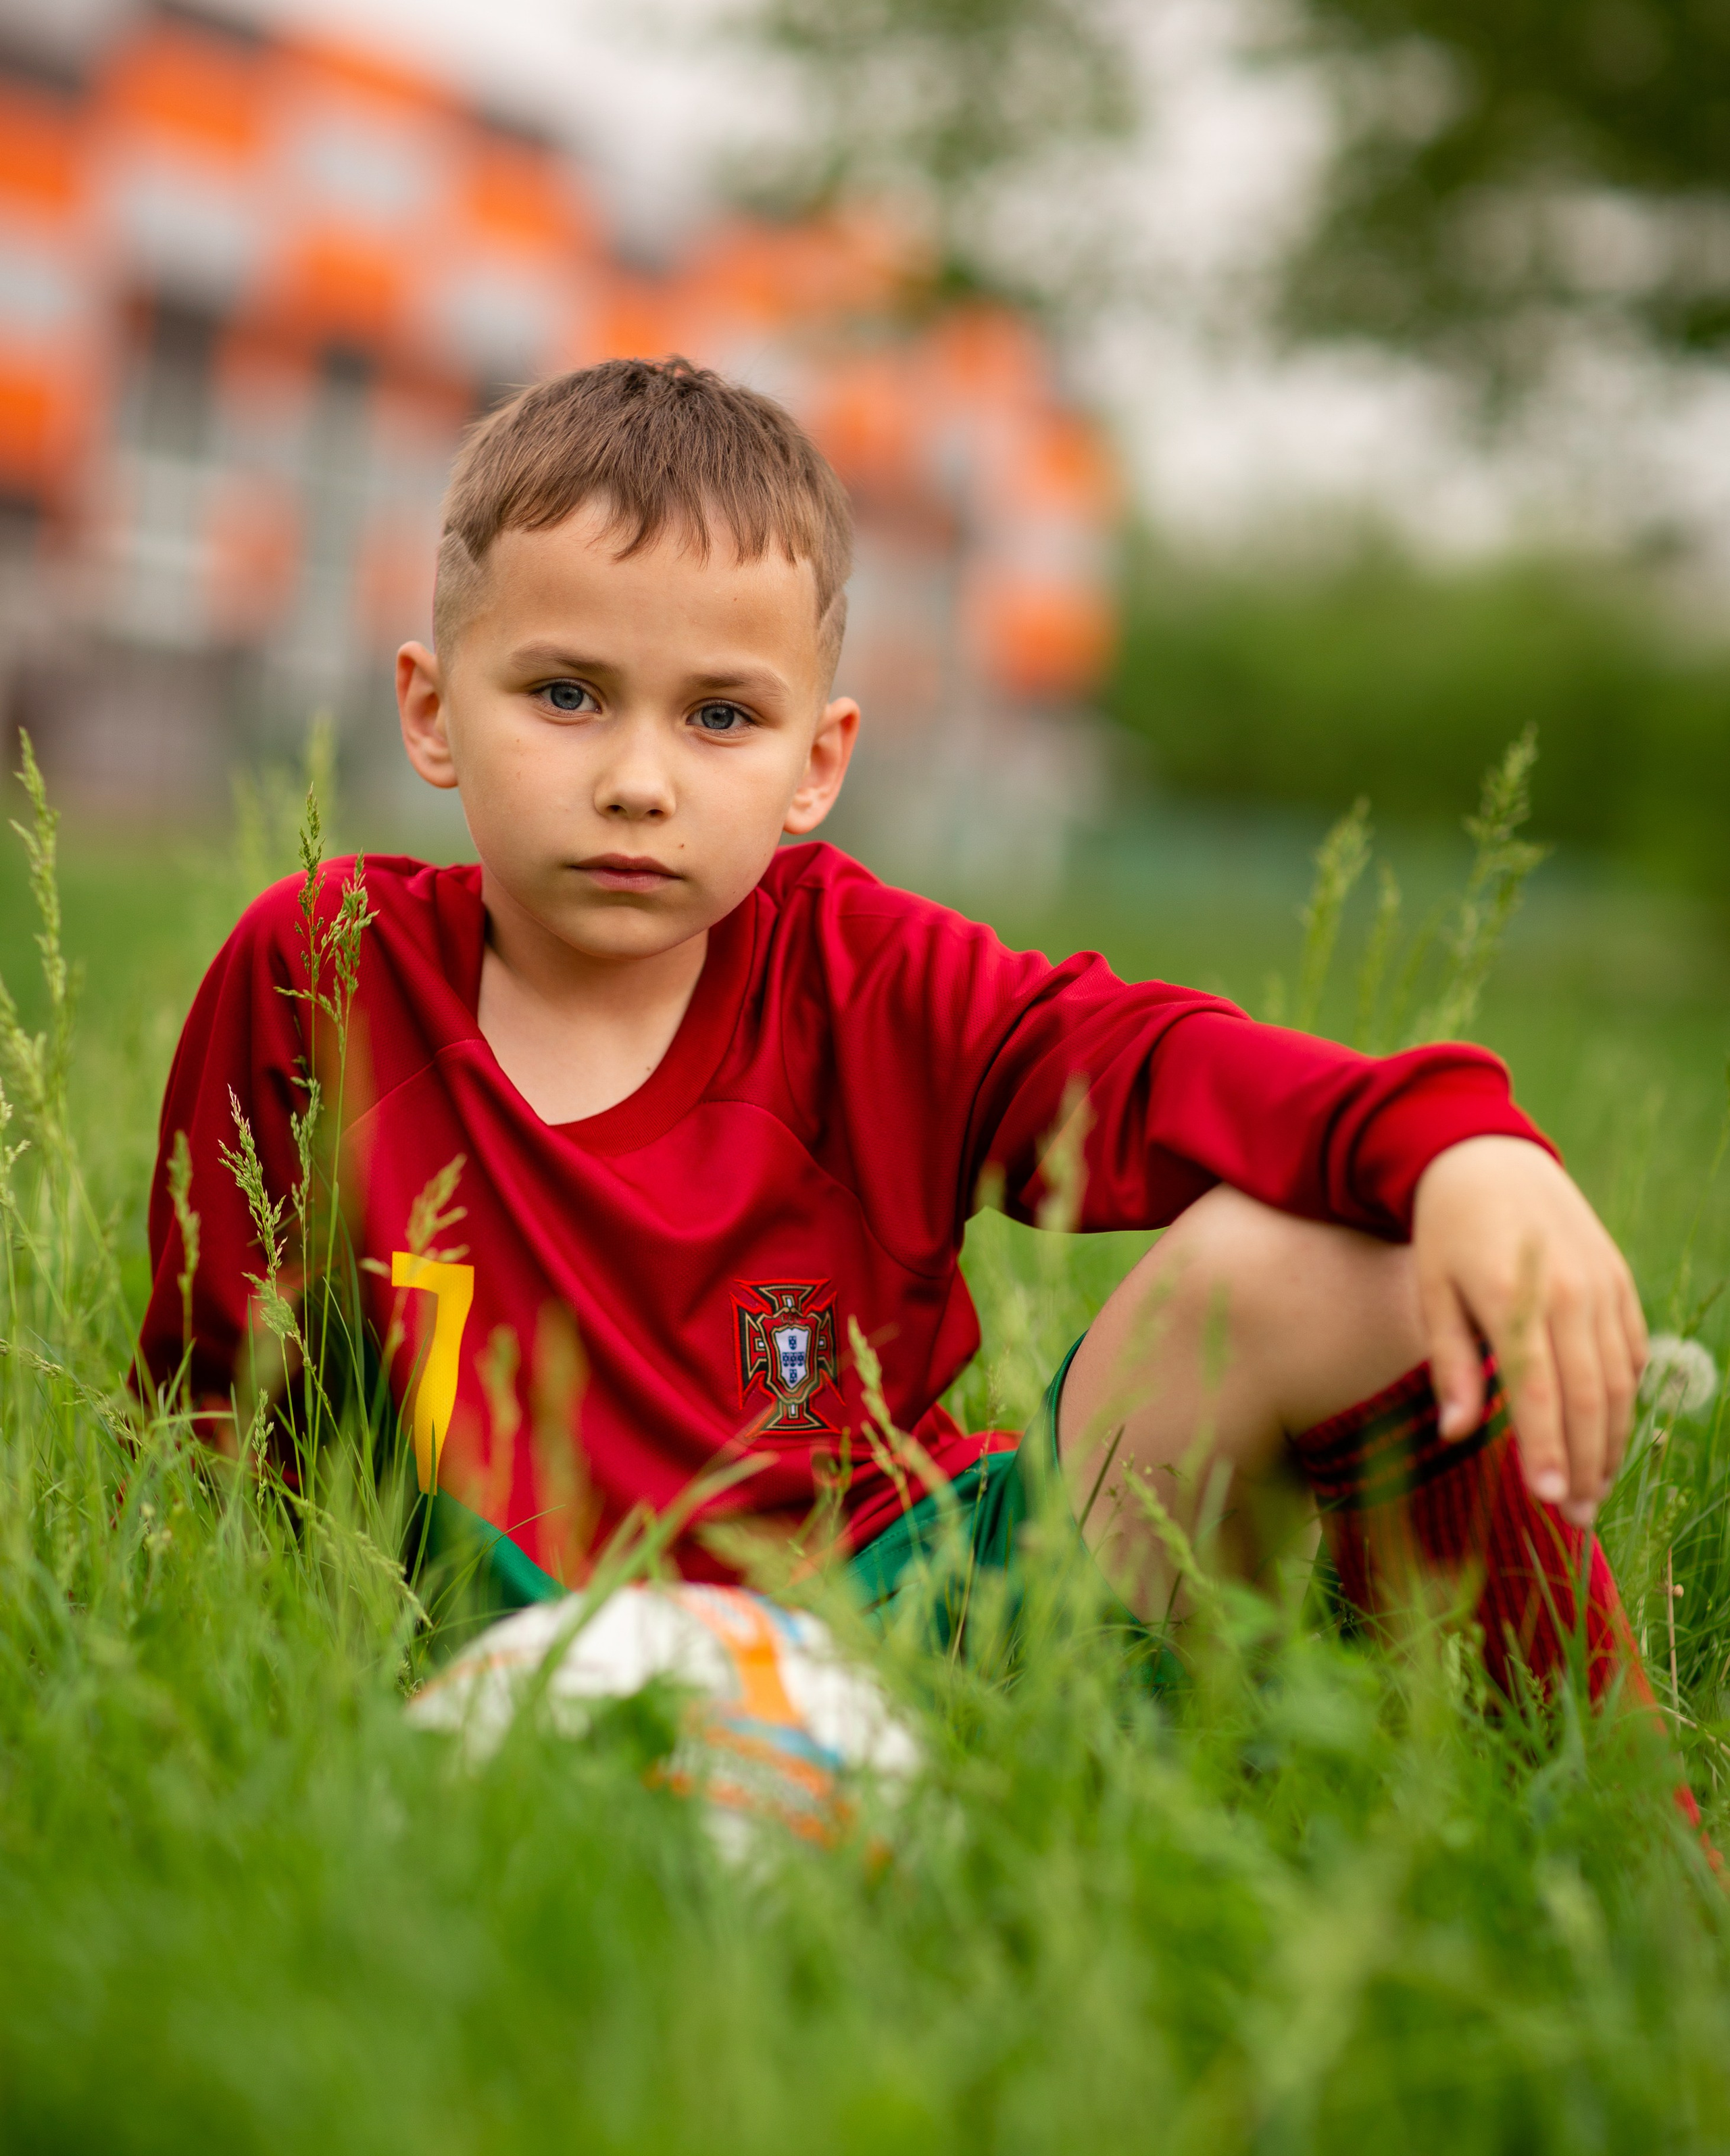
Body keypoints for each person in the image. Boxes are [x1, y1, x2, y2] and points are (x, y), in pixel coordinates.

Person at [139, 356, 1666, 1741]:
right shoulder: (323, 970)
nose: (636, 780)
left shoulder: (855, 974)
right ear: (428, 711)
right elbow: (220, 1410)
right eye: (564, 694)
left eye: (720, 717)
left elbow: (1136, 1064)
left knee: (1337, 1268)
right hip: (505, 1657)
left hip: (917, 1633)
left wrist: (1460, 1143)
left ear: (819, 761)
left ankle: (1599, 1822)